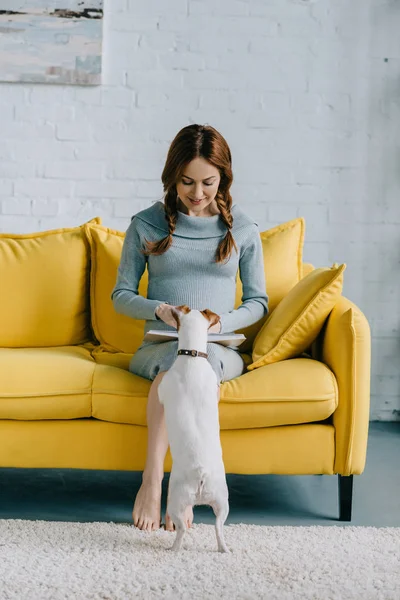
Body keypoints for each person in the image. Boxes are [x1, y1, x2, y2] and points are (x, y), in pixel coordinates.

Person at [111, 124, 269, 533]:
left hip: (217, 346)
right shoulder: (146, 225)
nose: (197, 193)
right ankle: (153, 480)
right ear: (172, 177)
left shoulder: (243, 231)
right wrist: (160, 309)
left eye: (208, 183)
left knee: (197, 367)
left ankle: (186, 487)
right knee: (175, 365)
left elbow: (258, 302)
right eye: (187, 182)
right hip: (161, 342)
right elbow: (121, 295)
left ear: (224, 179)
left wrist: (222, 319)